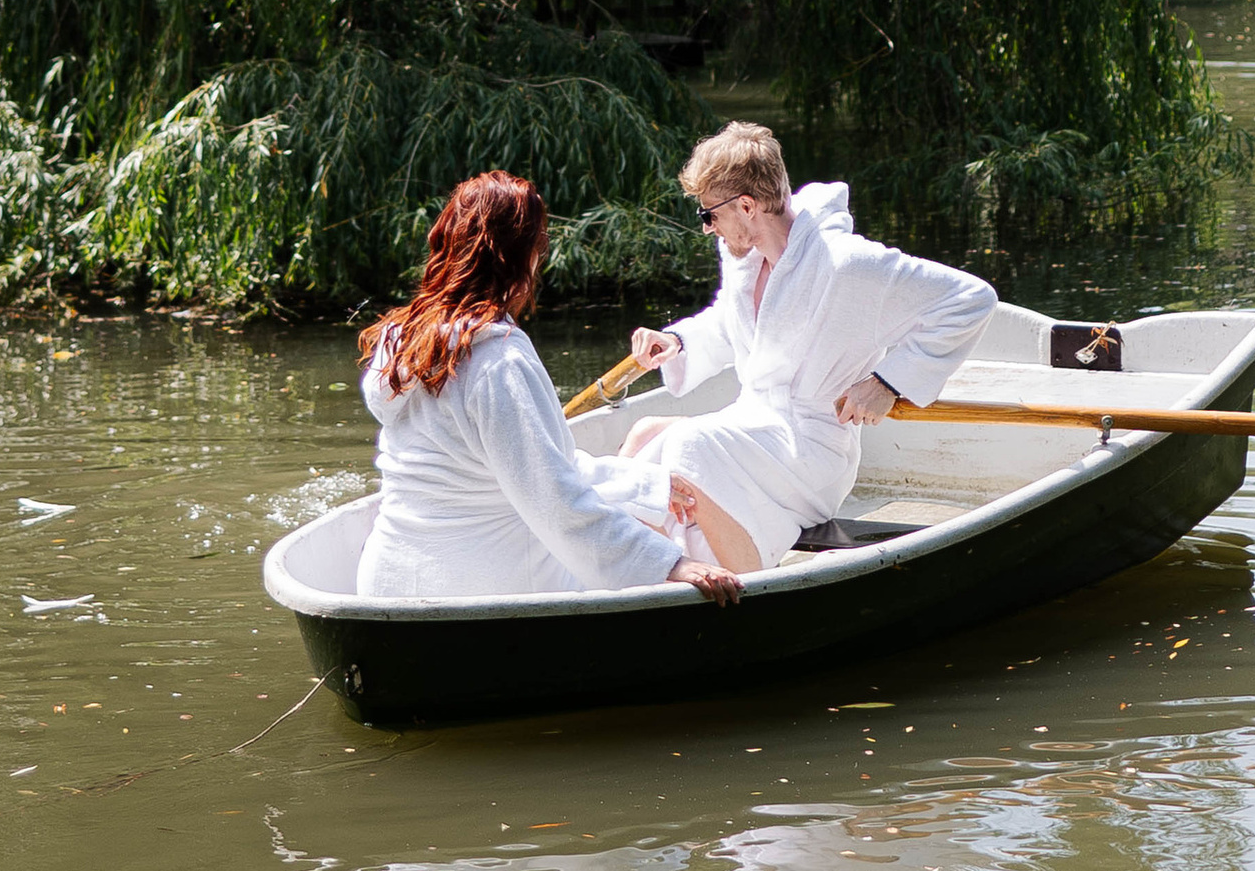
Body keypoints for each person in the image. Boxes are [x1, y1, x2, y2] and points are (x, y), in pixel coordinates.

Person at [615, 122, 998, 572]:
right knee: (645, 433)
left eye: (708, 216)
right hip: (754, 421)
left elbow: (971, 300)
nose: (708, 229)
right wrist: (677, 340)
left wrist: (887, 381)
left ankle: (728, 577)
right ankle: (627, 555)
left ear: (746, 205)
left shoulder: (848, 265)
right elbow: (731, 326)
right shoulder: (745, 260)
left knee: (689, 443)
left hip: (811, 448)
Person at [356, 171, 742, 606]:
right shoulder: (499, 360)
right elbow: (554, 500)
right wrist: (669, 565)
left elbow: (524, 466)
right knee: (655, 550)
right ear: (522, 258)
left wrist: (639, 482)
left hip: (386, 581)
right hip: (478, 588)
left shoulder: (401, 340)